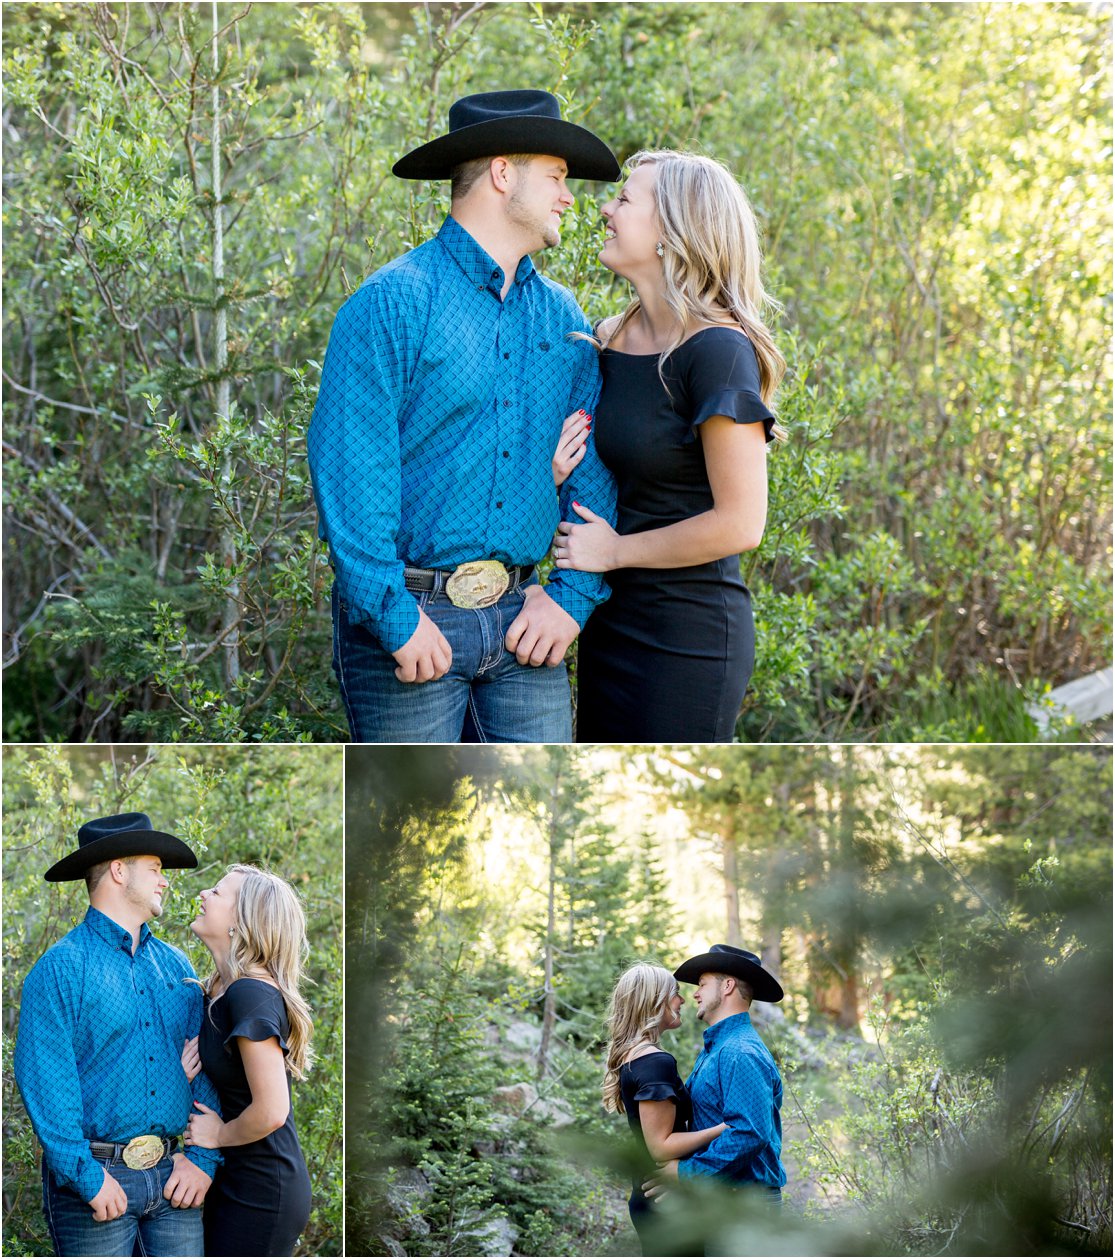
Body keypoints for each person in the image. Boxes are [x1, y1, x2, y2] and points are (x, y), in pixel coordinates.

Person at [308, 89, 620, 742]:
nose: (569, 197)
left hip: (523, 619)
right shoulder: (390, 304)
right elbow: (351, 469)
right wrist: (394, 618)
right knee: (414, 818)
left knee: (536, 817)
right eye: (557, 177)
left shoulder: (563, 320)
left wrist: (570, 597)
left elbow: (592, 471)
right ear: (503, 173)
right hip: (411, 622)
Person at [550, 150, 785, 742]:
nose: (605, 208)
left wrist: (613, 552)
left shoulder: (717, 353)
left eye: (625, 200)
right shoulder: (611, 338)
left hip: (688, 639)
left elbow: (740, 524)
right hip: (609, 621)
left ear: (671, 235)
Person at [13, 812, 221, 1257]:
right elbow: (47, 1081)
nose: (164, 881)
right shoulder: (60, 969)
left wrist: (203, 1160)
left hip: (174, 1176)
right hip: (96, 1180)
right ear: (119, 870)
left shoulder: (176, 967)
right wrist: (86, 1176)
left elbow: (204, 1067)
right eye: (155, 869)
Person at [181, 864, 314, 1257]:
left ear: (242, 922)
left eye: (218, 893)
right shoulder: (224, 989)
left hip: (262, 1187)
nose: (204, 893)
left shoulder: (249, 993)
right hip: (236, 1175)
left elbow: (273, 1109)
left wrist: (218, 1135)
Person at [644, 944, 785, 1212]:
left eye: (702, 984)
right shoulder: (720, 1047)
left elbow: (749, 1133)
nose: (694, 994)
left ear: (727, 986)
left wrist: (685, 1172)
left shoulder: (740, 1052)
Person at [602, 963, 731, 1255]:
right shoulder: (654, 1062)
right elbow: (661, 1147)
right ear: (654, 1000)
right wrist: (723, 1128)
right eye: (675, 993)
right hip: (664, 1200)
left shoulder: (635, 1056)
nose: (683, 1000)